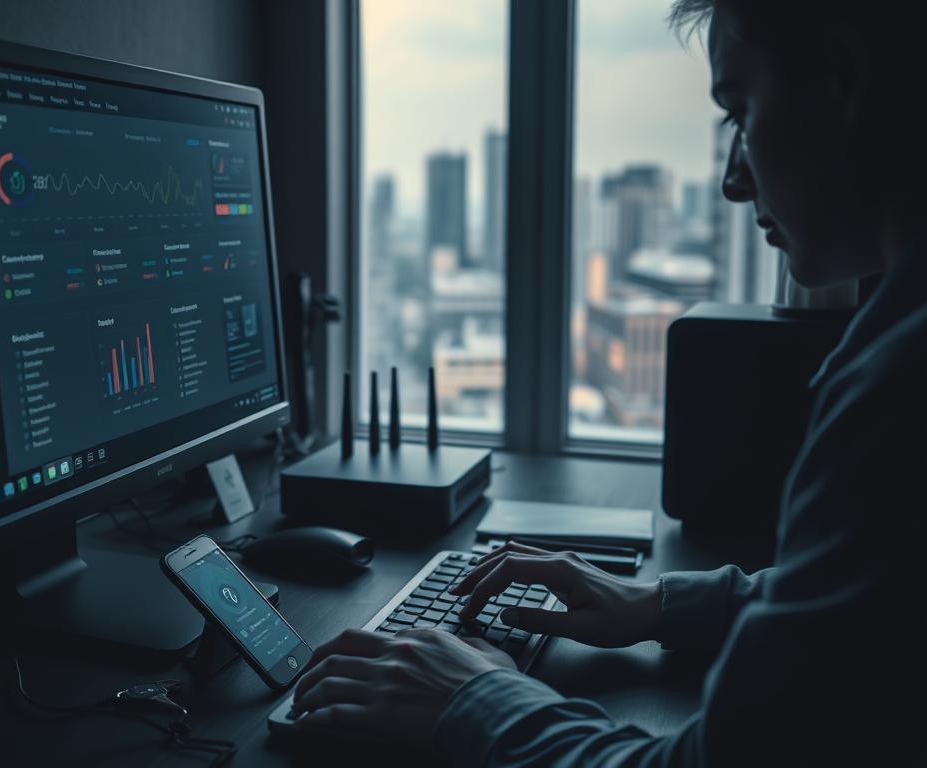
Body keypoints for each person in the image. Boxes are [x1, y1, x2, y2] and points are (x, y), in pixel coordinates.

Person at [292, 1, 927, 764]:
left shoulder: (898, 394)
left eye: (740, 111)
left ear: (844, 79)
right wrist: (662, 602)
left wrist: (475, 699)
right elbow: (879, 620)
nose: (732, 179)